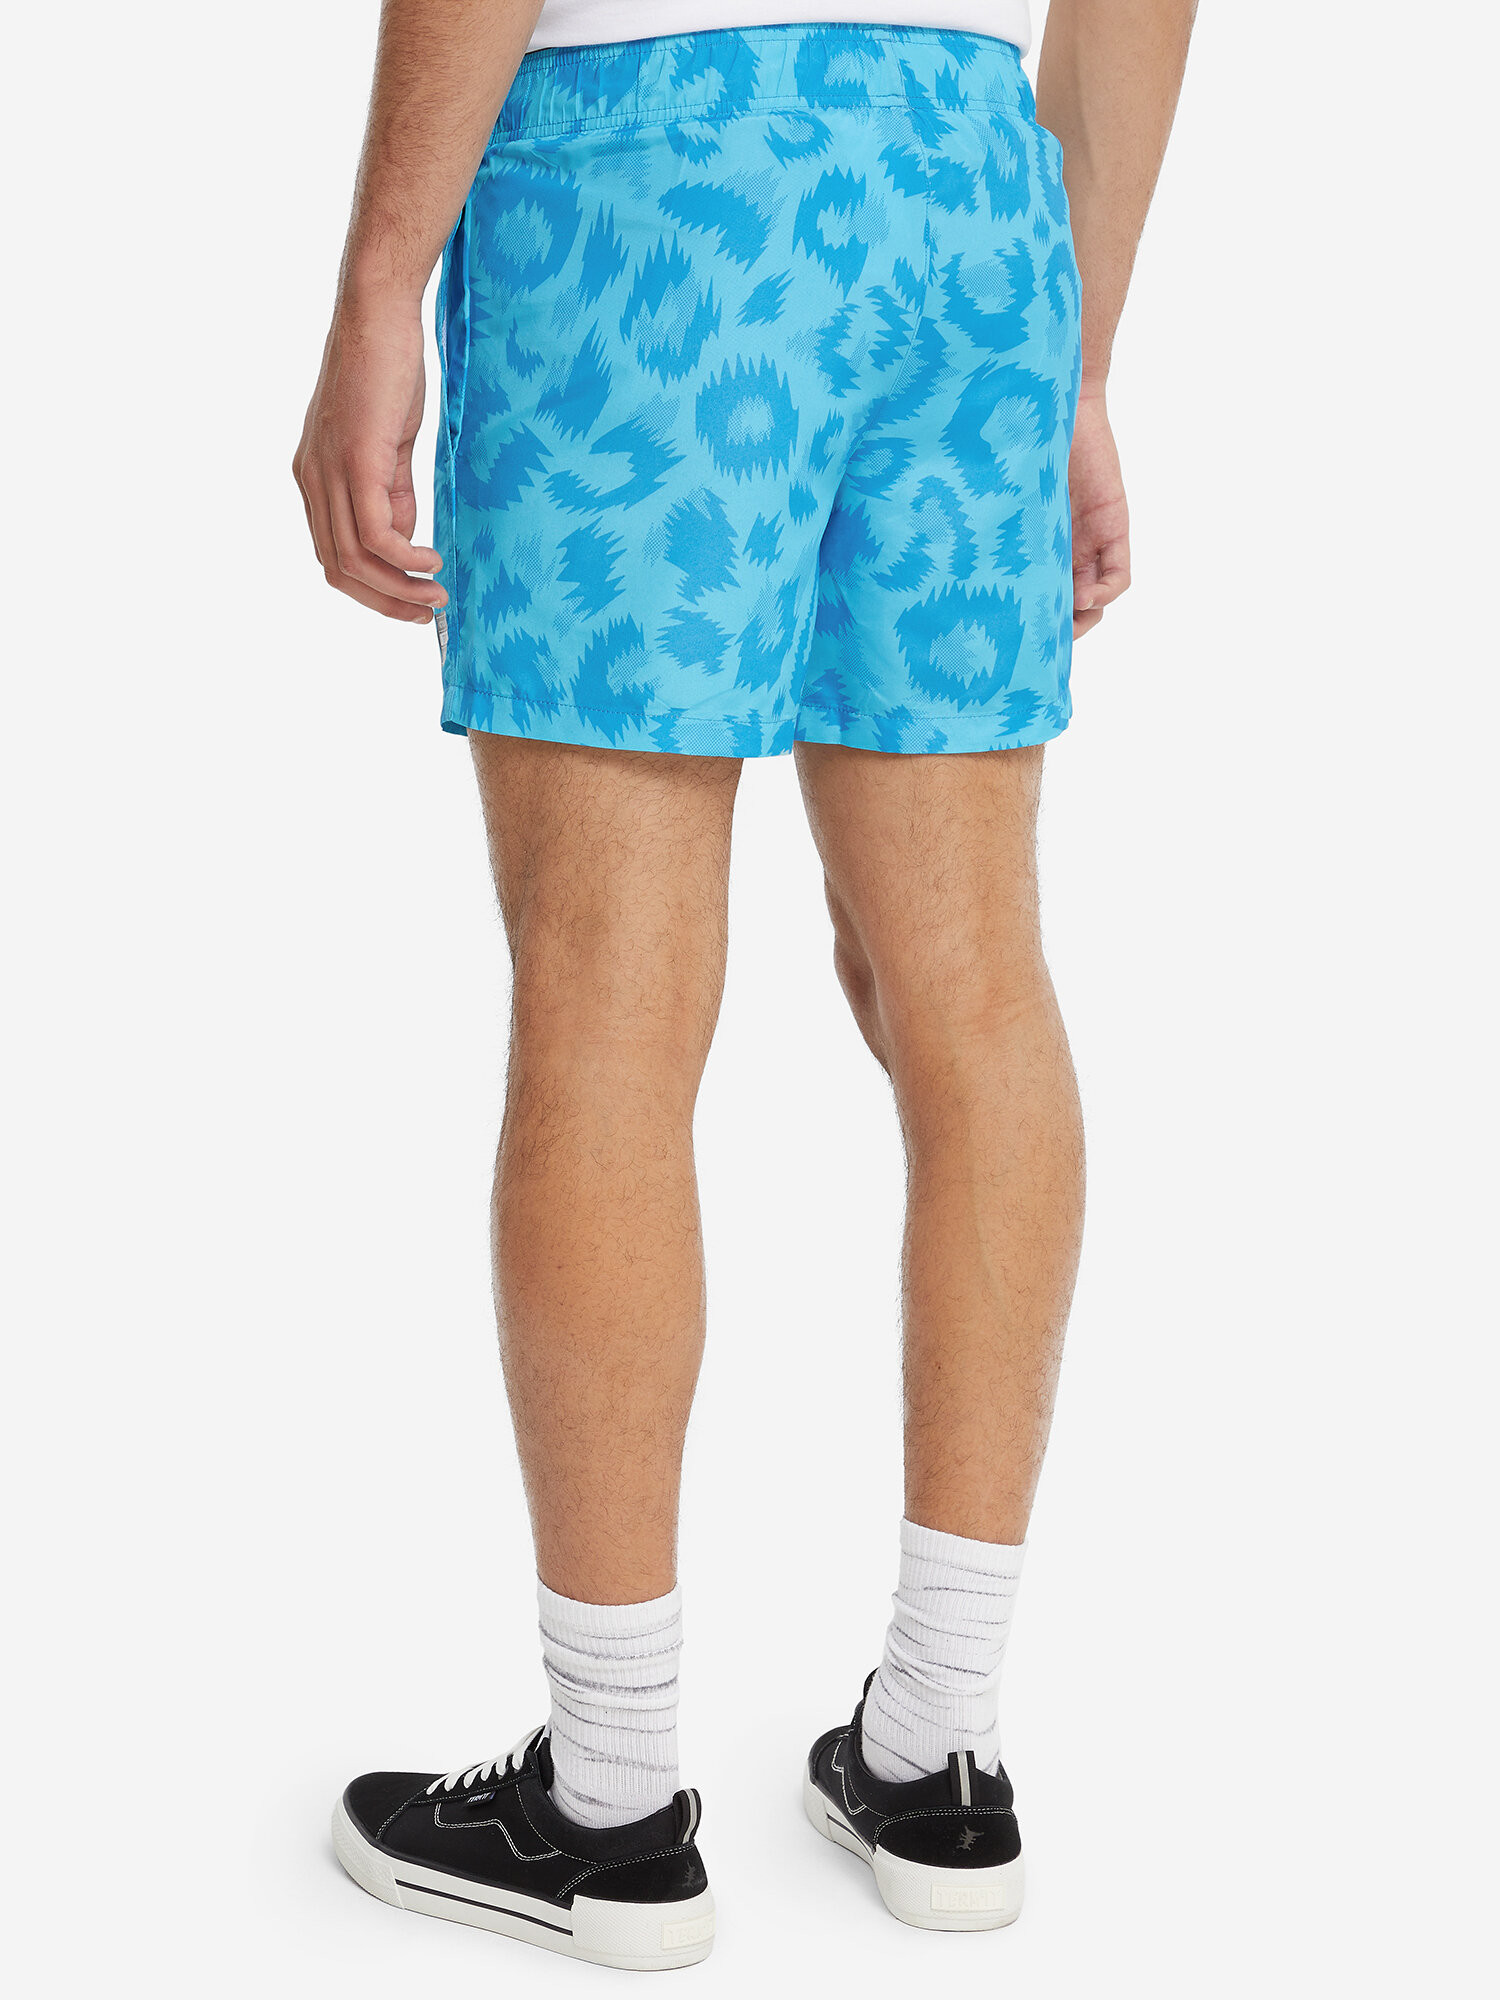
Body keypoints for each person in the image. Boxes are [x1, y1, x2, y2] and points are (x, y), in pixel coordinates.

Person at [295, 0, 1194, 1969]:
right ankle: (938, 1753)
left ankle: (611, 1806)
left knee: (609, 990)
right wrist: (1073, 350)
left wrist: (375, 288)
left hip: (654, 173)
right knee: (974, 984)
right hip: (967, 190)